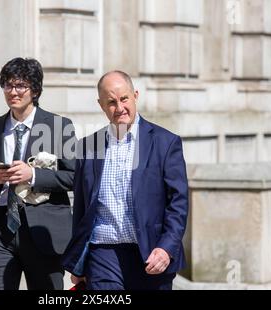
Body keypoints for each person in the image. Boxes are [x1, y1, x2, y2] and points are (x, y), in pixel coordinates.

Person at [62, 71, 189, 290]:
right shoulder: (87, 147)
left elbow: (178, 203)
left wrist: (166, 248)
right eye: (111, 102)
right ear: (101, 105)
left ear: (135, 95)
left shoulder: (165, 143)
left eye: (124, 99)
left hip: (151, 254)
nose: (119, 108)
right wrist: (79, 264)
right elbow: (82, 209)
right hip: (103, 255)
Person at [0, 57, 77, 290]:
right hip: (0, 229)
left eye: (20, 86)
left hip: (42, 231)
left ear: (35, 90)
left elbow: (74, 176)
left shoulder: (58, 126)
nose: (13, 92)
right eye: (8, 85)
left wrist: (34, 175)